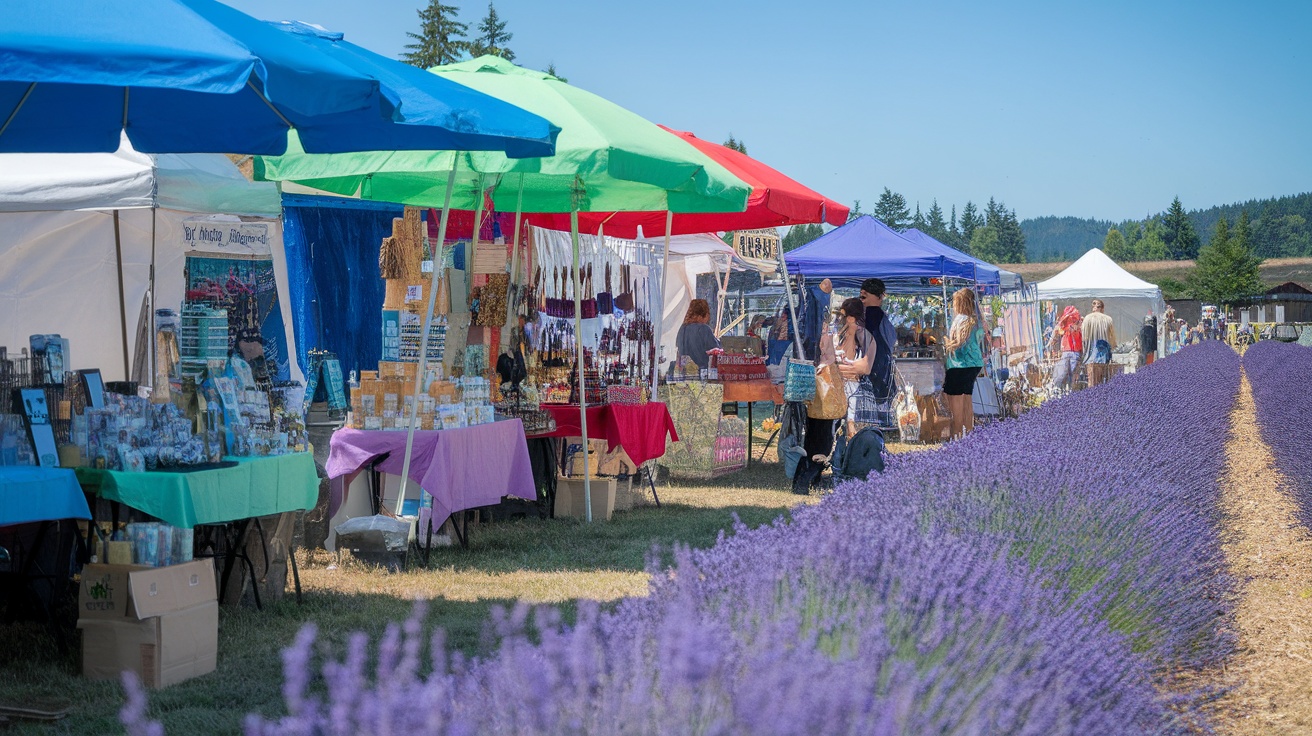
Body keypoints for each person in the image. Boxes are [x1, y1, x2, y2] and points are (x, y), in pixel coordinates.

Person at [943, 288, 985, 438]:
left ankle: (957, 434)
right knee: (967, 397)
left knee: (955, 400)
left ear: (959, 303)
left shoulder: (959, 319)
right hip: (974, 363)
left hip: (959, 364)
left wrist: (946, 343)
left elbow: (958, 343)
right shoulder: (976, 320)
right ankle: (969, 433)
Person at [834, 298, 878, 438]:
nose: (842, 319)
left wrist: (838, 369)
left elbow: (865, 368)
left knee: (847, 415)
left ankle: (849, 431)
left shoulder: (861, 335)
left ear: (851, 318)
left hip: (851, 382)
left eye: (844, 316)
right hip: (847, 382)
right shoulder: (843, 333)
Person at [859, 278, 896, 406]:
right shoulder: (876, 314)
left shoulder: (860, 315)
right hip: (878, 366)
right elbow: (890, 340)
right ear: (880, 296)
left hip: (867, 365)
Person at [675, 298, 719, 372]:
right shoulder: (704, 329)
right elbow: (716, 351)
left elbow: (679, 351)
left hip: (685, 374)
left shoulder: (682, 329)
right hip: (702, 373)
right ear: (704, 315)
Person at [1081, 299, 1117, 387]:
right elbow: (1111, 336)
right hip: (1103, 351)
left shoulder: (1087, 319)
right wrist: (1113, 346)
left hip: (1090, 351)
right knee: (1102, 377)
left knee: (1091, 378)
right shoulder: (1108, 319)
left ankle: (1092, 394)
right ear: (1102, 308)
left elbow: (1084, 337)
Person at [1051, 306, 1082, 391]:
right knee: (1068, 374)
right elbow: (1057, 331)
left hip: (1071, 351)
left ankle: (1068, 392)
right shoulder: (1065, 325)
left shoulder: (1078, 324)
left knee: (1068, 374)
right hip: (1071, 351)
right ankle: (1068, 391)